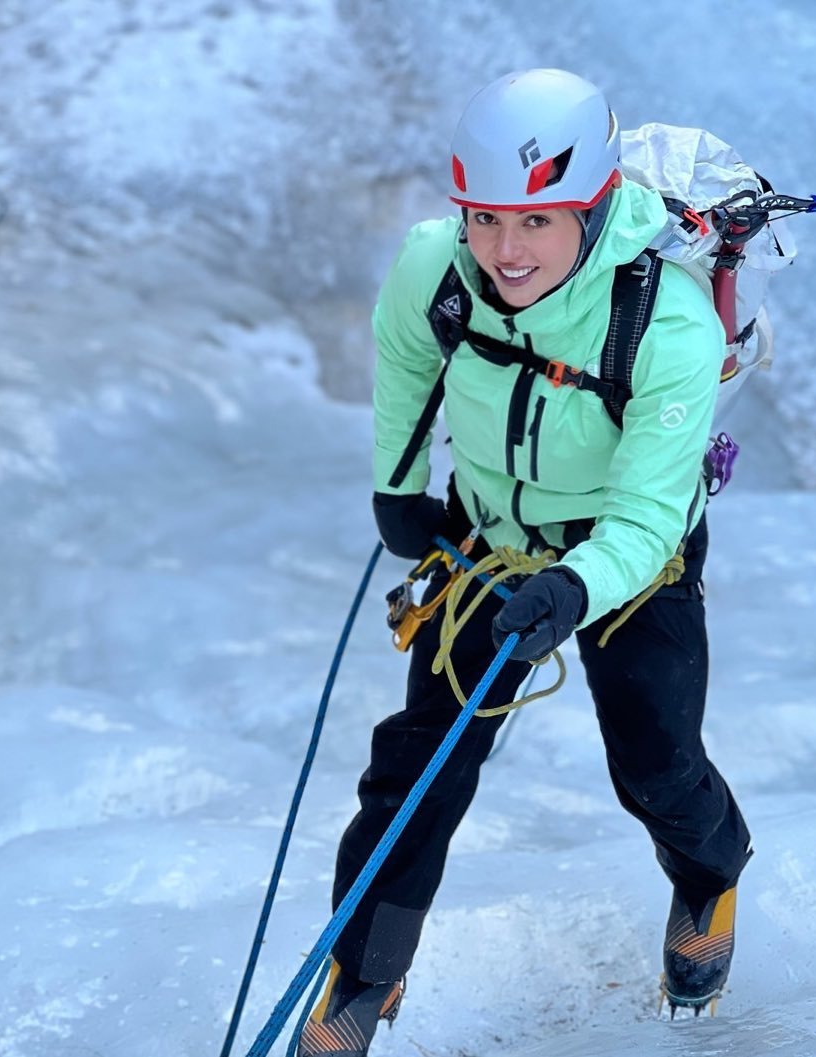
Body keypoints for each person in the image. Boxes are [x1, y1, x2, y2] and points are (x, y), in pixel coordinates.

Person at [297, 68, 753, 1057]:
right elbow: (408, 355)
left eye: (538, 222)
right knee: (418, 766)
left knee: (656, 762)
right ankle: (364, 975)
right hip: (490, 539)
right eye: (486, 218)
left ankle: (709, 877)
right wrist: (397, 481)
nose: (506, 252)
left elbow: (644, 513)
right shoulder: (434, 265)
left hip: (631, 563)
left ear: (592, 207)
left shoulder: (665, 324)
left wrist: (575, 586)